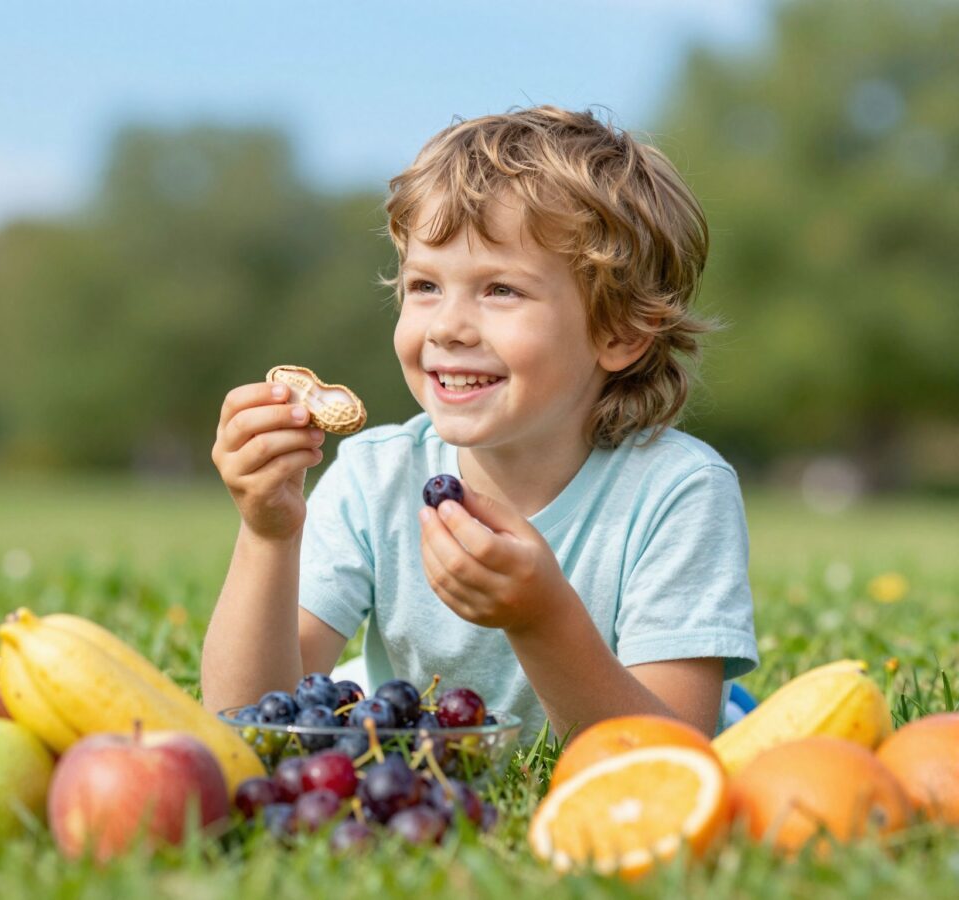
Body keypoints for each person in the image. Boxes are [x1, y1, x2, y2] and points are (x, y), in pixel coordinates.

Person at [202, 106, 758, 740]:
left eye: (500, 290)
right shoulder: (378, 477)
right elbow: (252, 723)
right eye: (424, 286)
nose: (446, 327)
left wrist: (542, 619)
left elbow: (670, 754)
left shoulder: (678, 492)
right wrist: (269, 536)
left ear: (621, 331)